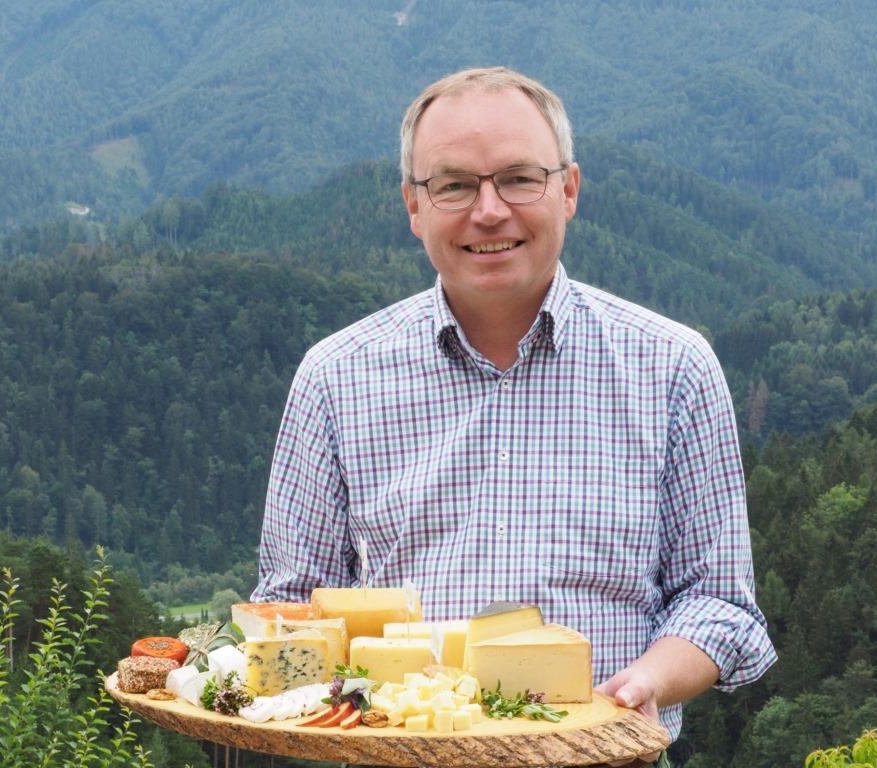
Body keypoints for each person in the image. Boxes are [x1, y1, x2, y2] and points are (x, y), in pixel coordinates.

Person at [251, 66, 776, 755]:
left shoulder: (672, 366)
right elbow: (293, 604)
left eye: (519, 179)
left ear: (569, 190)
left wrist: (643, 682)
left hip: (604, 757)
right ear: (413, 206)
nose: (489, 210)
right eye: (455, 185)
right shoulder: (336, 376)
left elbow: (718, 603)